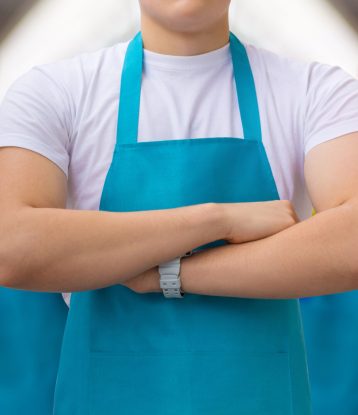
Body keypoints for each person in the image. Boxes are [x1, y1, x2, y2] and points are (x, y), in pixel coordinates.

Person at [0, 0, 358, 413]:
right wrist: (218, 218)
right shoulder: (54, 91)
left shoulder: (317, 90)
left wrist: (168, 274)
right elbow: (13, 244)